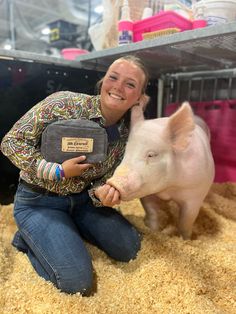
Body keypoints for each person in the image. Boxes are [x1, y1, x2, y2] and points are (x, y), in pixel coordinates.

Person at [1, 55, 150, 295]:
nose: (118, 87)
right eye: (113, 77)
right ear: (103, 82)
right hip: (39, 202)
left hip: (81, 203)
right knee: (76, 282)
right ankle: (27, 240)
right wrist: (57, 171)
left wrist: (102, 194)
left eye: (130, 84)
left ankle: (63, 230)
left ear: (139, 99)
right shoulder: (64, 104)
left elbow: (100, 181)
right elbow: (11, 142)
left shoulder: (122, 137)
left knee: (132, 249)